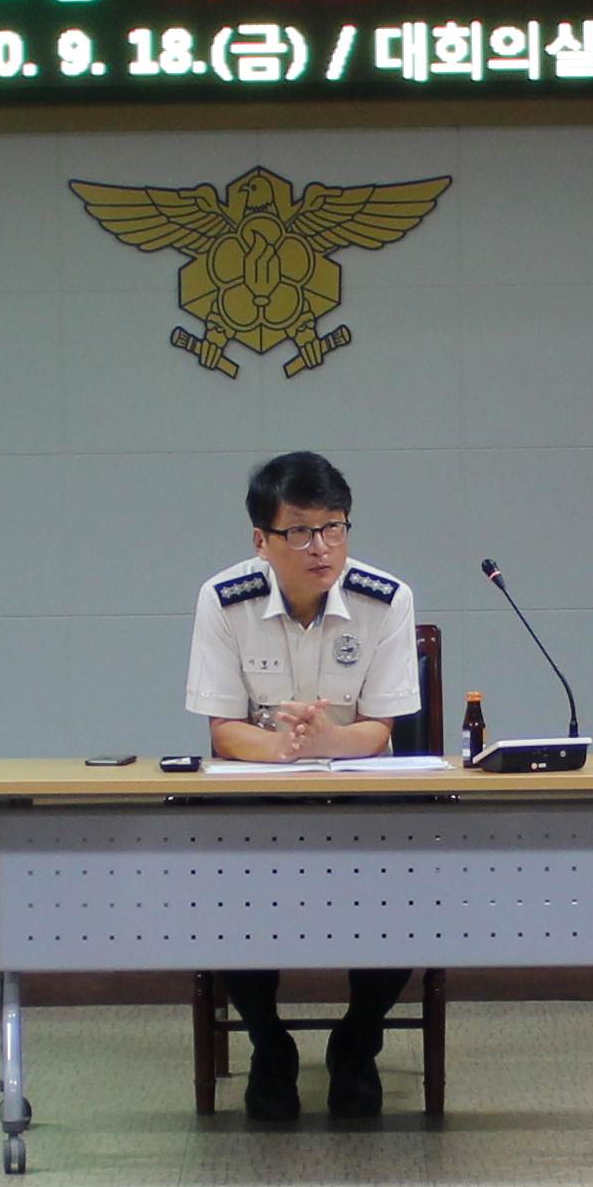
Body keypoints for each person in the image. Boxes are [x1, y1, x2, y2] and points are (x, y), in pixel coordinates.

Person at [189, 450, 423, 1117]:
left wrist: (327, 744)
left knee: (409, 891)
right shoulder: (223, 600)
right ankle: (270, 1045)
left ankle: (358, 1042)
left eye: (333, 527)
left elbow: (380, 728)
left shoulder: (387, 599)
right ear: (261, 540)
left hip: (361, 798)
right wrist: (284, 750)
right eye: (298, 530)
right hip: (259, 799)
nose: (320, 547)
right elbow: (224, 731)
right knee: (226, 897)